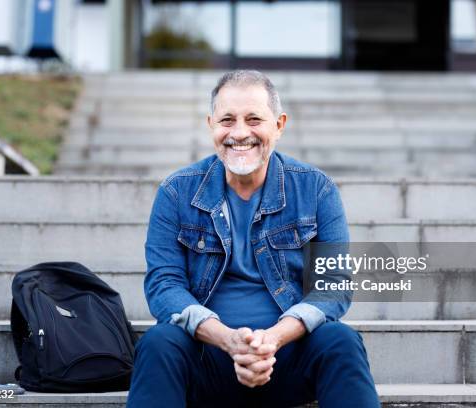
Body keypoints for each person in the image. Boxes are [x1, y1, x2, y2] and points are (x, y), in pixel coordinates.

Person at [127, 70, 380, 408]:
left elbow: (333, 285)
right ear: (211, 125)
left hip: (289, 359)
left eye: (254, 119)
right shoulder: (176, 192)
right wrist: (228, 340)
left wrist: (272, 340)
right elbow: (164, 285)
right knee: (159, 342)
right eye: (227, 120)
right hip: (206, 359)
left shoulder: (316, 189)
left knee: (341, 340)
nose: (240, 133)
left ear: (279, 125)